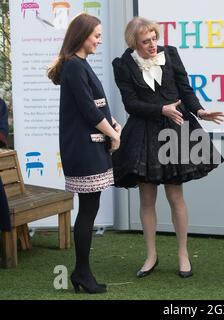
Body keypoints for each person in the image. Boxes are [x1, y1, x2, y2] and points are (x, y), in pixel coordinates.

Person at [112, 17, 224, 278]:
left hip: (175, 129)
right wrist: (160, 109)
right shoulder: (123, 64)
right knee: (147, 198)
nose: (152, 45)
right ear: (134, 43)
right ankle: (151, 255)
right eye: (145, 41)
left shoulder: (171, 55)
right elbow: (130, 104)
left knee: (175, 196)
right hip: (143, 132)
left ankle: (183, 254)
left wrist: (199, 110)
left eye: (154, 38)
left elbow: (185, 89)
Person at [47, 13, 121, 294]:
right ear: (82, 35)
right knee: (88, 210)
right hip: (84, 149)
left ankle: (82, 272)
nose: (99, 41)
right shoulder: (74, 67)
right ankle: (81, 272)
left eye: (101, 36)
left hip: (91, 146)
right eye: (96, 36)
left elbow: (96, 105)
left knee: (90, 209)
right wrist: (113, 134)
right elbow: (89, 111)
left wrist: (114, 125)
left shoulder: (78, 65)